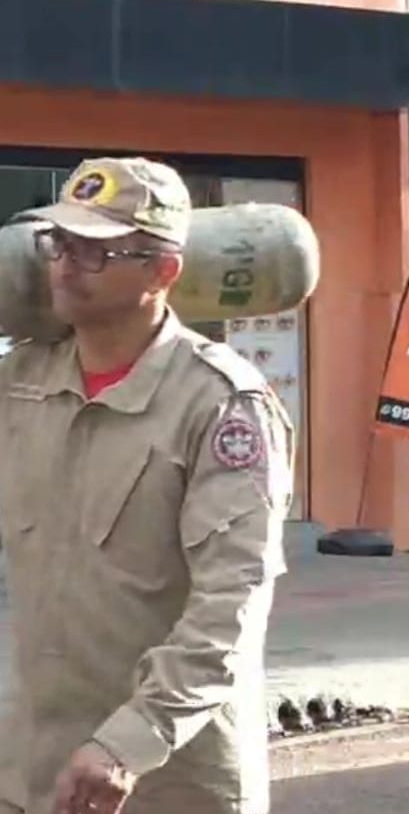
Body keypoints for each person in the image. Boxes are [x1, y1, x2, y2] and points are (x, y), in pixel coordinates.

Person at [0, 158, 294, 814]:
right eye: (59, 242)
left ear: (163, 272)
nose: (66, 265)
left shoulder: (220, 404)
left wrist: (130, 741)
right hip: (34, 772)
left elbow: (232, 603)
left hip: (168, 777)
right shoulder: (21, 383)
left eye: (96, 252)